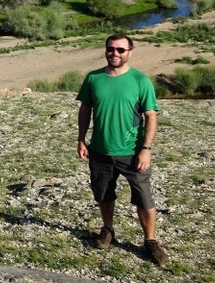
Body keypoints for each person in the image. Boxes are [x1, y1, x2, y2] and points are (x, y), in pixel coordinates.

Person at [76, 34, 168, 265]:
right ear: (105, 50)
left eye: (120, 50)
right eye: (110, 49)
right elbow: (85, 109)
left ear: (130, 52)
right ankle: (108, 229)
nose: (114, 53)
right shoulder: (93, 78)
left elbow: (151, 116)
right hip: (99, 150)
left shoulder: (140, 80)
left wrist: (146, 148)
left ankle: (150, 240)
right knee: (104, 193)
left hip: (132, 152)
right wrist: (81, 138)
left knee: (143, 197)